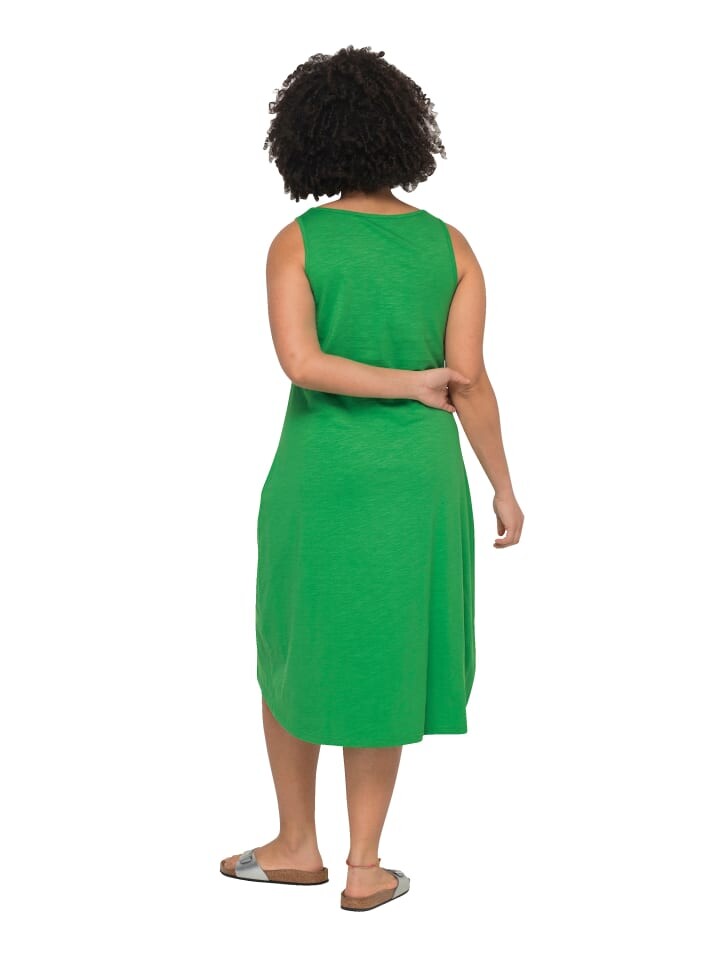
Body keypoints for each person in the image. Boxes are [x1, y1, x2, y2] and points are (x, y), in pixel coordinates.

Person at [220, 44, 524, 912]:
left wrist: (400, 384)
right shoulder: (449, 245)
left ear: (304, 139)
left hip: (322, 477)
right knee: (382, 656)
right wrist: (502, 486)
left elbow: (302, 363)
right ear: (404, 134)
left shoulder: (297, 243)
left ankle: (294, 845)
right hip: (418, 482)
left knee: (296, 647)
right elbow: (469, 380)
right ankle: (364, 866)